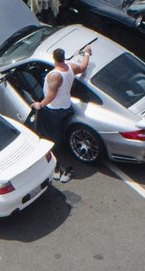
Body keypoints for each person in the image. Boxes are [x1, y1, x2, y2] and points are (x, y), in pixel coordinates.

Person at [27, 43, 91, 181]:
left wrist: (40, 105)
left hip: (54, 110)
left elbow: (51, 96)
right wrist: (86, 53)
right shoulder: (71, 67)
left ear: (54, 58)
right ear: (63, 57)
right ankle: (62, 153)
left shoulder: (54, 76)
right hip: (66, 106)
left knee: (53, 137)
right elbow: (83, 67)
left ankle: (59, 162)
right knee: (61, 131)